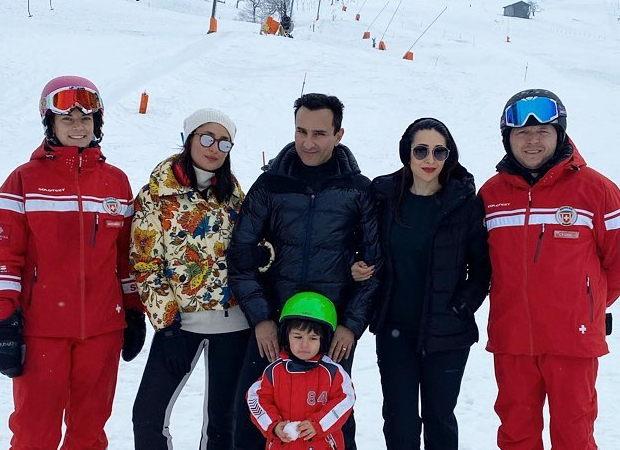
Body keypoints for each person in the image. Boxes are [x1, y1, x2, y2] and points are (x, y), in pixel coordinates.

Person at [228, 93, 382, 450]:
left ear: (338, 134)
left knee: (333, 416)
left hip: (330, 327)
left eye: (319, 133)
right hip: (276, 320)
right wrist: (262, 318)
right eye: (301, 132)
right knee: (256, 413)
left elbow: (376, 265)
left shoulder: (358, 190)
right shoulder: (270, 185)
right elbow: (241, 256)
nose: (308, 143)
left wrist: (352, 325)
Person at [0, 75, 145, 450]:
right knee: (34, 434)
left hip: (102, 330)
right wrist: (5, 318)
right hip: (41, 330)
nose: (77, 127)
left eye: (86, 119)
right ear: (50, 123)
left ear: (98, 124)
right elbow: (5, 256)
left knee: (89, 434)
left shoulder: (115, 182)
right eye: (67, 119)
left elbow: (125, 257)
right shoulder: (23, 181)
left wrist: (132, 309)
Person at [478, 89, 620, 450]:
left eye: (543, 131)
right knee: (516, 434)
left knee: (573, 436)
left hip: (572, 341)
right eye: (522, 133)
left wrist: (587, 305)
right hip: (512, 339)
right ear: (507, 139)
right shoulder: (491, 195)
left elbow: (617, 263)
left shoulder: (597, 190)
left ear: (560, 134)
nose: (532, 140)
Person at [130, 108, 269, 450]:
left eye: (224, 142)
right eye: (206, 138)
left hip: (233, 324)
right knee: (147, 416)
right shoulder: (155, 195)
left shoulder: (234, 195)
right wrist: (168, 323)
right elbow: (145, 263)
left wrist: (263, 256)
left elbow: (258, 245)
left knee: (223, 424)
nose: (214, 148)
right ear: (189, 139)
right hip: (180, 325)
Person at [351, 117, 491, 449]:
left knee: (439, 417)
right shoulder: (383, 196)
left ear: (449, 156)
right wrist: (354, 265)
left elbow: (482, 270)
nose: (430, 160)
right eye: (421, 150)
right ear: (407, 153)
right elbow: (358, 243)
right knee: (399, 419)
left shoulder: (465, 204)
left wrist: (460, 306)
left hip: (447, 333)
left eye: (439, 151)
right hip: (395, 329)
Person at [247, 291, 355, 450]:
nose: (305, 345)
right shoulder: (273, 372)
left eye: (313, 338)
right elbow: (255, 399)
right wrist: (274, 426)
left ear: (323, 340)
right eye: (298, 337)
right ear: (286, 337)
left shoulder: (333, 373)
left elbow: (345, 400)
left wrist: (318, 425)